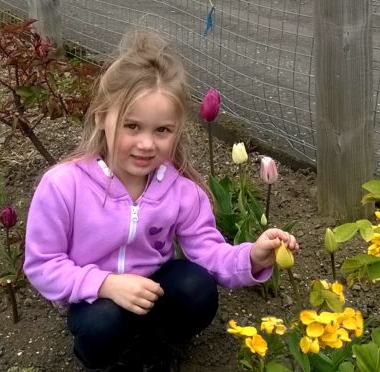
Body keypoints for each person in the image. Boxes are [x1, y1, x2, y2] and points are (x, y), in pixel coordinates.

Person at [24, 29, 298, 372]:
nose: (146, 144)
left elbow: (209, 253)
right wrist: (104, 283)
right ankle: (109, 360)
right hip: (95, 300)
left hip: (152, 293)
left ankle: (156, 346)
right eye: (132, 126)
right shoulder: (64, 186)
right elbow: (42, 264)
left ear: (177, 130)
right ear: (101, 118)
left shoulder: (181, 191)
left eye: (162, 130)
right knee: (101, 326)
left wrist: (253, 257)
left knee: (197, 288)